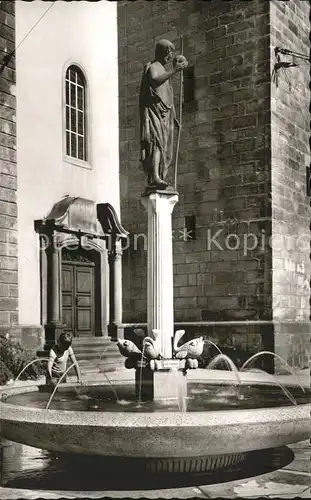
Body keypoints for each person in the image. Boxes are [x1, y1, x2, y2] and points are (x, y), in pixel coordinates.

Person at [139, 39, 188, 189]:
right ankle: (155, 176)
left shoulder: (164, 70)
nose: (169, 56)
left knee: (166, 147)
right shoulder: (153, 67)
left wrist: (174, 116)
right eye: (167, 53)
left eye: (171, 53)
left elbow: (167, 97)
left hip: (166, 115)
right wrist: (174, 70)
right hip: (154, 113)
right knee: (156, 144)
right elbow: (154, 81)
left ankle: (161, 175)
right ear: (160, 52)